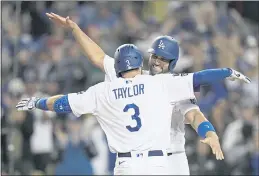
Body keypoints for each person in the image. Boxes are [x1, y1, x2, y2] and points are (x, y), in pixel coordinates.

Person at [45, 12, 251, 175]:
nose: (157, 62)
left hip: (173, 159)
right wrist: (74, 28)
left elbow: (194, 115)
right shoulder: (132, 76)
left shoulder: (173, 85)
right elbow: (98, 57)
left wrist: (209, 132)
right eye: (155, 56)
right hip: (139, 160)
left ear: (173, 62)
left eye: (163, 59)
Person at [17, 44, 207, 175]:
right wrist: (228, 72)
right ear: (140, 64)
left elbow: (63, 103)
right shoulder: (155, 83)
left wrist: (37, 102)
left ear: (117, 66)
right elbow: (198, 79)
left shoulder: (104, 91)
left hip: (127, 164)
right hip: (158, 163)